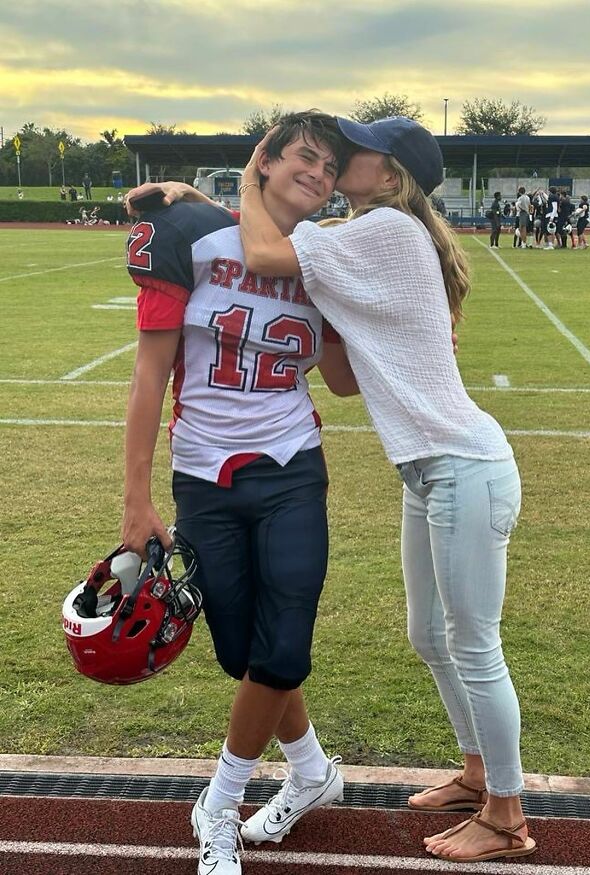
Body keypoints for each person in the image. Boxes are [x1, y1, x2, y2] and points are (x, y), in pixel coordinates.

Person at [133, 115, 536, 865]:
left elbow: (259, 246)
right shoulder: (368, 235)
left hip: (463, 464)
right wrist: (196, 209)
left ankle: (507, 813)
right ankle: (477, 772)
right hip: (430, 469)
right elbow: (342, 372)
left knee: (475, 644)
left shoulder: (383, 231)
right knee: (429, 636)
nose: (341, 160)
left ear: (389, 178)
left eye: (358, 152)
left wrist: (242, 178)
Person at [123, 111, 359, 875]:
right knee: (244, 654)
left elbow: (344, 384)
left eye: (329, 168)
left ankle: (219, 803)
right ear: (264, 160)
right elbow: (150, 374)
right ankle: (313, 767)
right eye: (305, 157)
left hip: (292, 463)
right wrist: (135, 497)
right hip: (203, 474)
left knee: (284, 642)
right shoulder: (196, 237)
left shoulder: (323, 256)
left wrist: (390, 322)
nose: (318, 175)